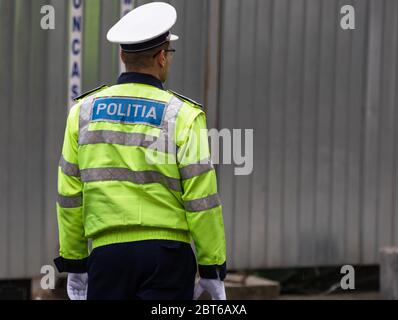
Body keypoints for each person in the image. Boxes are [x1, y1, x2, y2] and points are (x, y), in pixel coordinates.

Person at [53, 2, 227, 300]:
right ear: (161, 57)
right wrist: (212, 268)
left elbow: (69, 196)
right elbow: (202, 198)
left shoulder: (82, 112)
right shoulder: (183, 115)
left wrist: (75, 261)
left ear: (122, 56)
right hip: (168, 259)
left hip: (108, 259)